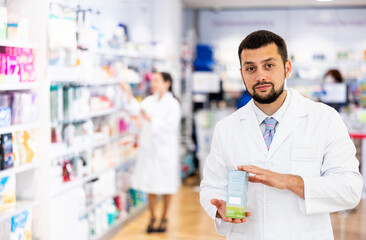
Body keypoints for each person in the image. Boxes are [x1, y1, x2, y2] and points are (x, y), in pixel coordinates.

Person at [200, 30, 363, 239]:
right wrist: (219, 208)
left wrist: (289, 181)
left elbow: (350, 190)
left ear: (287, 68)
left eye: (269, 65)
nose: (260, 76)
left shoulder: (325, 119)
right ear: (242, 75)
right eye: (251, 68)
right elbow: (211, 186)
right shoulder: (227, 128)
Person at [122, 72, 181, 233]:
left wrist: (151, 119)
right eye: (153, 81)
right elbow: (136, 109)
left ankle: (164, 218)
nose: (153, 84)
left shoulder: (172, 104)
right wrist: (127, 91)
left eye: (157, 81)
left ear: (167, 83)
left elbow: (170, 125)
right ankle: (152, 217)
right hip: (150, 151)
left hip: (165, 151)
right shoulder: (150, 100)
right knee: (151, 185)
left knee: (167, 185)